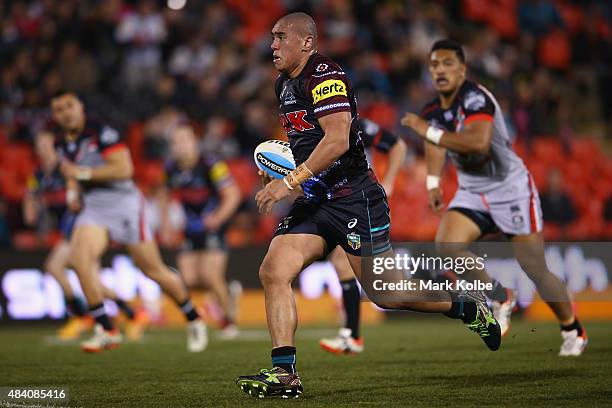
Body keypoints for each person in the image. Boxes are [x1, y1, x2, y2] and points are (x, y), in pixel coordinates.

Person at [236, 13, 500, 399]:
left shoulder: (325, 76)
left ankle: (464, 307)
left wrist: (290, 182)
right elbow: (306, 142)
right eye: (272, 38)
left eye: (280, 37)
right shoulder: (284, 84)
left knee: (387, 294)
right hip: (316, 200)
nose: (272, 45)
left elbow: (339, 139)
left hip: (354, 199)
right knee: (274, 270)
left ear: (306, 42)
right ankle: (285, 373)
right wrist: (278, 170)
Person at [400, 40, 586, 357]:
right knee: (447, 245)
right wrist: (433, 181)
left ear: (462, 70)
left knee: (535, 267)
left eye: (447, 63)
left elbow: (478, 143)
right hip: (472, 189)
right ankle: (500, 296)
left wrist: (426, 131)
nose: (440, 70)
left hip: (509, 187)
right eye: (435, 64)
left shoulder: (475, 97)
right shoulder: (433, 109)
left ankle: (572, 328)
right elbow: (435, 145)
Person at [51, 90, 207, 352]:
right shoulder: (62, 142)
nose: (65, 113)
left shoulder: (101, 132)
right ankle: (106, 328)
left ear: (81, 107)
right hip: (94, 207)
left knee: (153, 270)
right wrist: (72, 192)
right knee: (79, 259)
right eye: (58, 109)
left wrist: (83, 173)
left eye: (69, 106)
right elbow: (70, 173)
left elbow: (124, 169)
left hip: (124, 205)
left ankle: (193, 316)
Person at [24, 130, 149, 341]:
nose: (45, 150)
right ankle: (130, 314)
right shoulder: (39, 176)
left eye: (48, 145)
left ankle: (86, 316)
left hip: (85, 224)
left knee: (60, 268)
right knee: (89, 279)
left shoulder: (67, 169)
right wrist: (31, 206)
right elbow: (30, 199)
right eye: (40, 146)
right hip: (68, 228)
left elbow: (88, 189)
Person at [319, 118, 407, 354]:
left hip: (364, 202)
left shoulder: (357, 126)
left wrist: (389, 181)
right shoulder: (314, 127)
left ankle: (455, 301)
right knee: (341, 262)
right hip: (339, 203)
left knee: (389, 290)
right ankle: (352, 334)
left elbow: (398, 145)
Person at [159, 124, 242, 338]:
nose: (181, 146)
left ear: (194, 142)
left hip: (214, 226)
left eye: (185, 140)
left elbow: (232, 194)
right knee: (188, 278)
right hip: (191, 228)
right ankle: (229, 294)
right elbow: (164, 196)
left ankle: (227, 322)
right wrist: (166, 225)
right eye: (176, 142)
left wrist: (217, 218)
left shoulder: (211, 164)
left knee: (210, 275)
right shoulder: (171, 168)